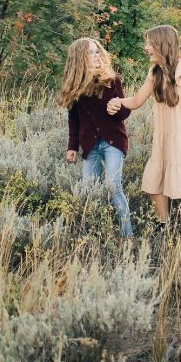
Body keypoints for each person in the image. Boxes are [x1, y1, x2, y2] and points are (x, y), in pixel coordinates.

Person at [108, 25, 181, 232]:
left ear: (162, 46)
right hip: (166, 138)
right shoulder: (155, 73)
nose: (146, 48)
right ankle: (164, 228)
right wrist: (117, 101)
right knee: (154, 183)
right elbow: (136, 101)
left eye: (150, 44)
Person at [58, 37, 134, 239]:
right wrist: (72, 146)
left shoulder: (112, 80)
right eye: (91, 52)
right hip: (90, 144)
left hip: (113, 142)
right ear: (79, 58)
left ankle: (128, 237)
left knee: (113, 186)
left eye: (97, 51)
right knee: (88, 190)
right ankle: (94, 234)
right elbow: (73, 119)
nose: (96, 55)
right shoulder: (76, 85)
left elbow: (125, 114)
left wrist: (116, 108)